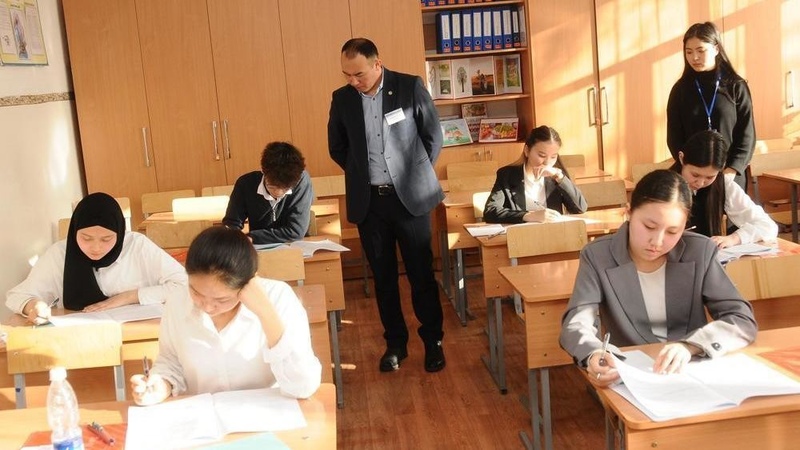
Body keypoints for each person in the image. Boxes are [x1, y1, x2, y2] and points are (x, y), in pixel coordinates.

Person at [559, 170, 757, 387]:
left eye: (672, 231)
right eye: (649, 227)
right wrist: (594, 353)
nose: (657, 241)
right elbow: (577, 323)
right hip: (626, 375)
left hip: (690, 372)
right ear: (628, 212)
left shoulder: (700, 252)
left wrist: (691, 346)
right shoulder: (598, 255)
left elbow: (741, 319)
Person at [327, 38, 446, 373]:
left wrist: (414, 175)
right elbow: (337, 147)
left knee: (421, 275)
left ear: (377, 64)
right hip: (371, 204)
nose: (353, 81)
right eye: (347, 75)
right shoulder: (342, 99)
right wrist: (363, 173)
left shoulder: (409, 87)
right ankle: (395, 344)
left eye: (359, 74)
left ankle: (433, 342)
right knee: (383, 278)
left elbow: (433, 137)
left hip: (410, 200)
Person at [129, 226, 321, 405]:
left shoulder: (278, 298)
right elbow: (170, 361)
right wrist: (160, 385)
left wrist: (265, 313)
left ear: (248, 283)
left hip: (267, 416)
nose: (207, 306)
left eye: (221, 299)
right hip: (203, 418)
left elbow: (303, 387)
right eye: (196, 292)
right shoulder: (177, 301)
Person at [6, 192, 187, 324]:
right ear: (74, 231)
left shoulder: (137, 246)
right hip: (80, 338)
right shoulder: (59, 254)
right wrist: (32, 305)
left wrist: (130, 296)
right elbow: (17, 296)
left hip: (138, 332)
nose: (96, 248)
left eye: (106, 239)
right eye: (86, 238)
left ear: (119, 234)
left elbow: (185, 285)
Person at [667, 22, 755, 191]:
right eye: (689, 52)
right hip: (693, 178)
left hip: (729, 175)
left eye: (701, 51)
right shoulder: (680, 90)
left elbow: (747, 134)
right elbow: (674, 137)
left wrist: (731, 170)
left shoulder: (735, 86)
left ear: (716, 49)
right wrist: (692, 171)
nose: (694, 57)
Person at [671, 129, 777, 248]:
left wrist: (734, 238)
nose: (700, 183)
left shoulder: (724, 184)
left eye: (710, 177)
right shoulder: (663, 184)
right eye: (695, 175)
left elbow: (767, 226)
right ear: (681, 158)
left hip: (706, 255)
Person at [484, 125, 587, 223]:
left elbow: (580, 208)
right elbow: (490, 211)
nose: (547, 163)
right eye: (542, 155)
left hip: (554, 232)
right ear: (527, 151)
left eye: (553, 157)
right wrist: (528, 215)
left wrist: (559, 177)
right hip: (522, 233)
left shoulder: (557, 175)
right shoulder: (507, 175)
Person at [223, 141, 314, 245]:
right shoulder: (245, 184)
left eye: (285, 189)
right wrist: (236, 237)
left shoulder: (301, 181)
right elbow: (231, 223)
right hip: (258, 248)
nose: (278, 193)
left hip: (294, 247)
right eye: (272, 186)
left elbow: (296, 231)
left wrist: (252, 237)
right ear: (263, 171)